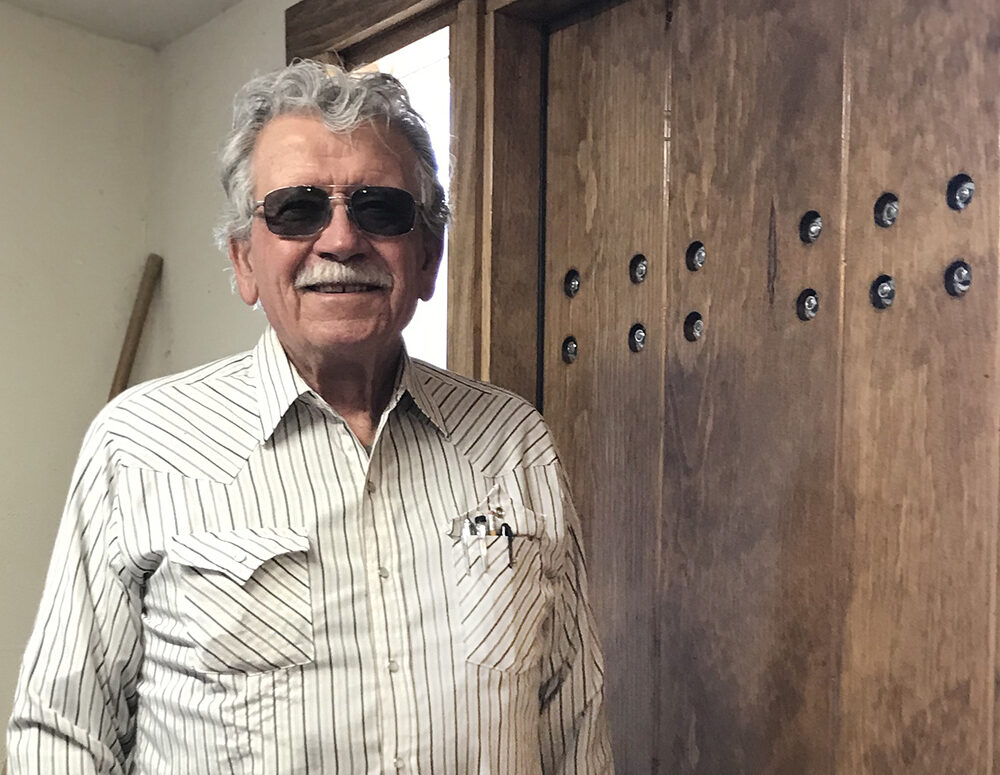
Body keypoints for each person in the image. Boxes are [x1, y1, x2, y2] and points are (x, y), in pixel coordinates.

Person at [6, 60, 613, 774]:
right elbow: (61, 737)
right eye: (297, 209)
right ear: (244, 261)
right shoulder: (136, 445)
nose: (341, 240)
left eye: (379, 209)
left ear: (428, 257)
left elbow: (574, 724)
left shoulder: (515, 442)